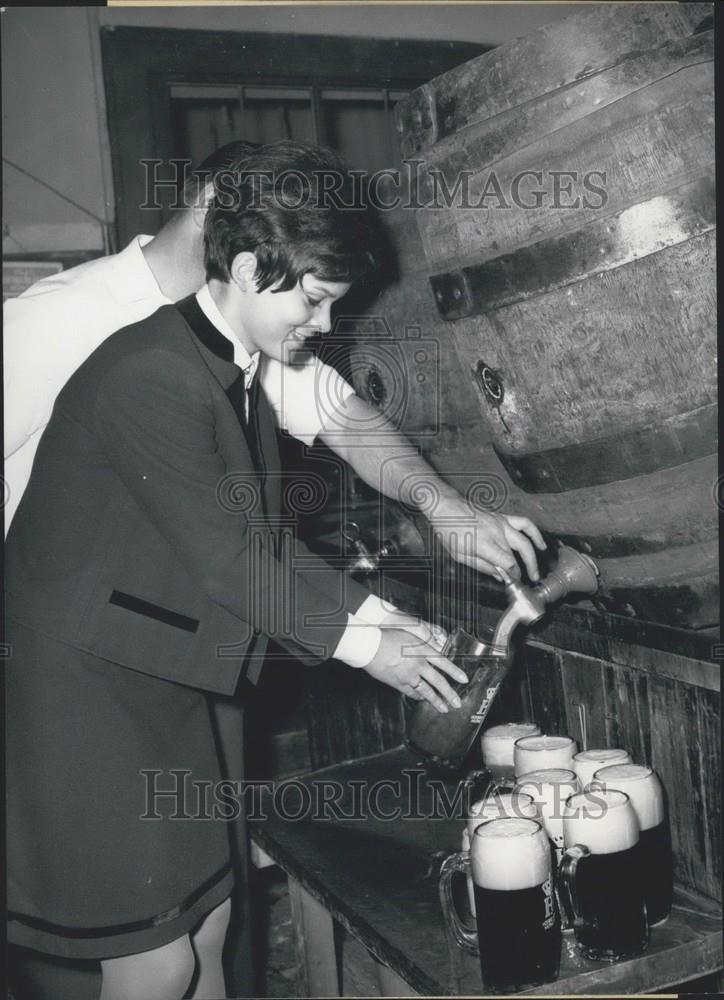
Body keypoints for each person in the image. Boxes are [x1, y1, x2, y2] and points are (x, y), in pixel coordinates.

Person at [5, 140, 544, 1000]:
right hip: (88, 684)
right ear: (253, 269)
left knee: (212, 919)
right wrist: (370, 647)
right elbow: (232, 563)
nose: (325, 327)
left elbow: (259, 535)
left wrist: (389, 621)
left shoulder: (235, 360)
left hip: (167, 658)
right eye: (317, 301)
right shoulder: (149, 371)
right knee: (155, 957)